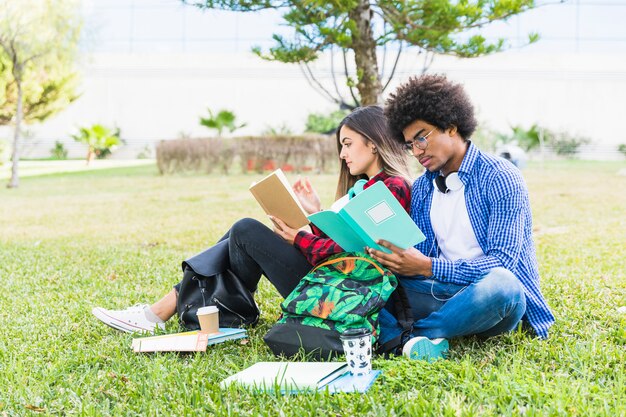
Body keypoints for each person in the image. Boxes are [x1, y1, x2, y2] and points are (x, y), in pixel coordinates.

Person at [92, 105, 413, 334]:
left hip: (340, 291)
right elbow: (341, 240)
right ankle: (191, 312)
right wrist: (313, 213)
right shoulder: (365, 188)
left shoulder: (392, 187)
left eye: (347, 144)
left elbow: (356, 256)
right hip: (329, 281)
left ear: (373, 142)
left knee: (244, 230)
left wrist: (298, 237)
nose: (343, 154)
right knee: (238, 236)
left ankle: (165, 310)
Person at [367, 74, 554, 361]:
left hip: (488, 299)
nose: (416, 151)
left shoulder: (501, 177)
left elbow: (502, 262)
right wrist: (396, 259)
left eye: (421, 137)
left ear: (451, 126)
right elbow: (422, 257)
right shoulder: (422, 187)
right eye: (409, 145)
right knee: (371, 278)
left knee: (503, 284)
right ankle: (420, 335)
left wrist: (428, 267)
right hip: (439, 292)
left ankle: (409, 336)